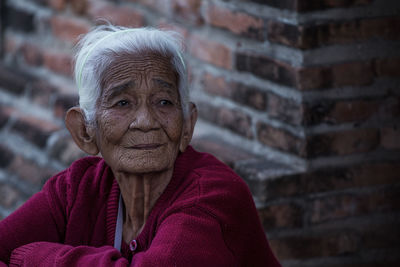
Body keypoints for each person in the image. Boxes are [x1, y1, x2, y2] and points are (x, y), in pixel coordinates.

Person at [0, 25, 281, 267]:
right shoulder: (77, 188)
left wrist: (33, 258)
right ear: (85, 131)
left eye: (164, 102)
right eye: (123, 103)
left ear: (187, 125)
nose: (146, 121)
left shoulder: (212, 197)